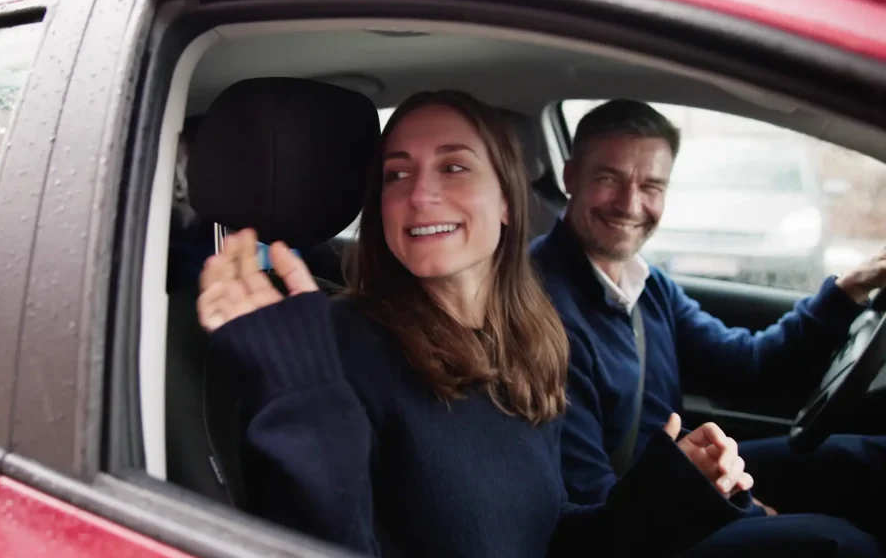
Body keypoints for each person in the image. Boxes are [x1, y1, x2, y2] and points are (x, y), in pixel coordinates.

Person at [195, 89, 830, 557]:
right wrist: (303, 394)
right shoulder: (335, 348)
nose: (420, 194)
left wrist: (669, 492)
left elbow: (552, 540)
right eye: (397, 174)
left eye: (453, 166)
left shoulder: (529, 338)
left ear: (506, 199)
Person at [530, 99, 886, 543]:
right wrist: (743, 510)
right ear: (570, 178)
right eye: (608, 179)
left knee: (868, 460)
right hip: (632, 524)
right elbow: (596, 500)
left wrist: (849, 290)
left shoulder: (647, 285)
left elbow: (748, 365)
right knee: (837, 544)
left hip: (674, 478)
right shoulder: (539, 308)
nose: (630, 204)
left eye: (651, 186)